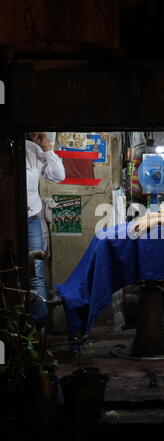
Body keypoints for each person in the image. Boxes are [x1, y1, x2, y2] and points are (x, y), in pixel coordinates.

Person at [26, 133, 65, 329]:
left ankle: (38, 330)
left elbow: (58, 175)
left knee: (36, 271)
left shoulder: (32, 149)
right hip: (9, 216)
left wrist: (47, 147)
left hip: (31, 216)